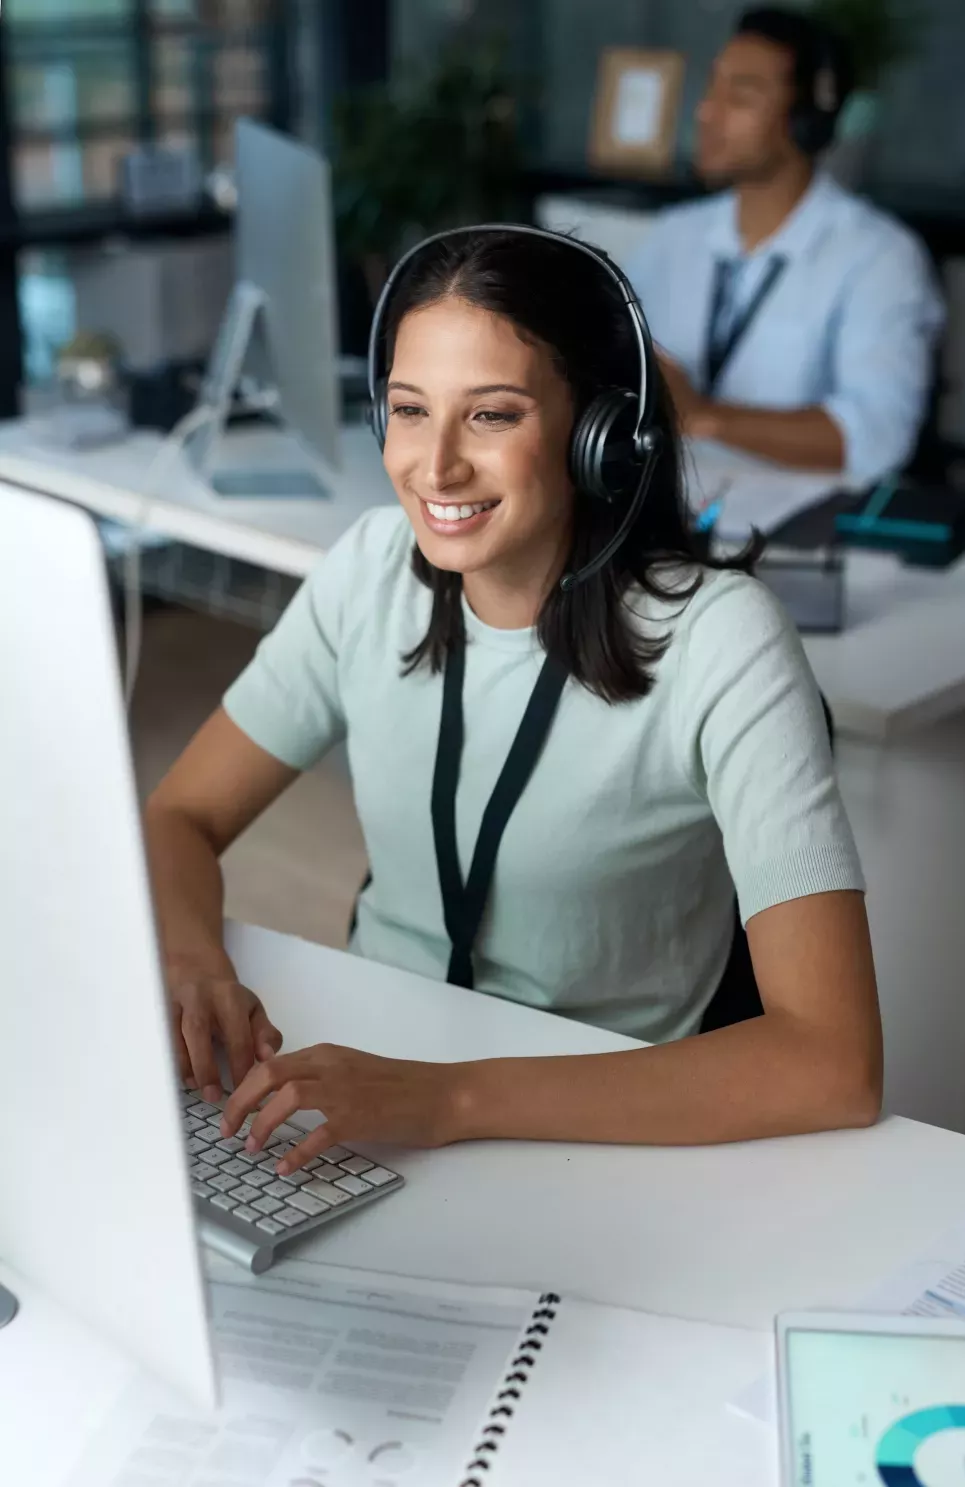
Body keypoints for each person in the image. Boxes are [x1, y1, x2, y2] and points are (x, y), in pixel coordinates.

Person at [146, 227, 882, 1173]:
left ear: (599, 437)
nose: (436, 466)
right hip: (366, 1077)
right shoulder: (373, 568)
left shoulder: (723, 641)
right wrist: (195, 962)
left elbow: (834, 1060)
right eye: (409, 410)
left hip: (598, 1129)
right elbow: (182, 813)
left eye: (491, 416)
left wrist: (449, 1098)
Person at [626, 6, 945, 483]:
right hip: (669, 504)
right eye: (714, 86)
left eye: (742, 94)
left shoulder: (881, 256)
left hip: (809, 530)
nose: (707, 111)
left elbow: (877, 437)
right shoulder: (673, 235)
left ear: (805, 121)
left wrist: (702, 415)